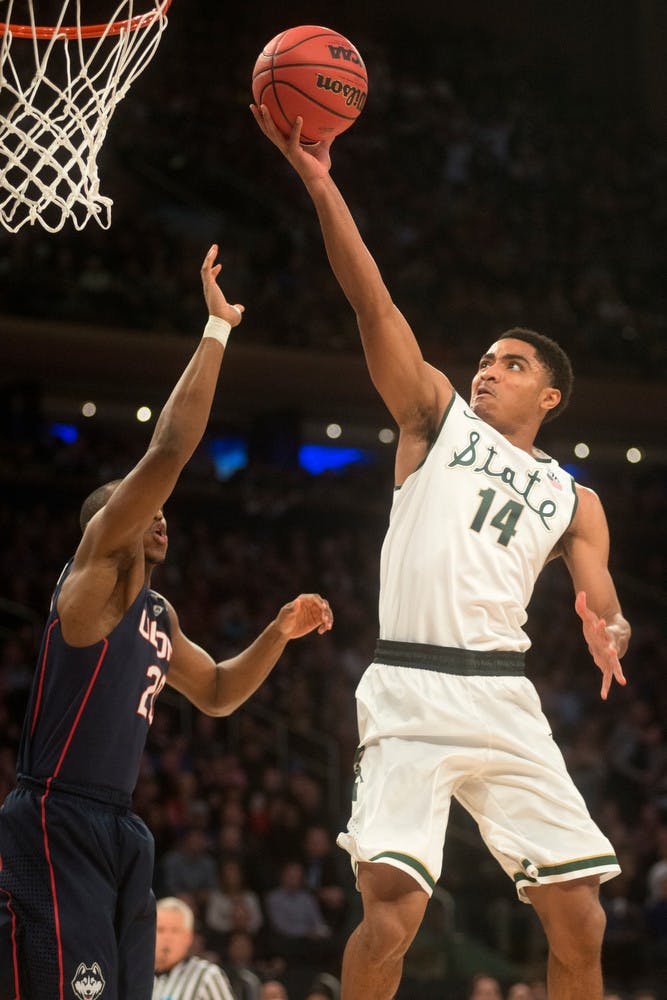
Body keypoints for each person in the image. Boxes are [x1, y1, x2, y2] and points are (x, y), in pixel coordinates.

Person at [251, 105, 631, 1000]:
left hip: (504, 694)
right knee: (390, 910)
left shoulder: (577, 499)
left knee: (580, 916)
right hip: (411, 687)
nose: (486, 369)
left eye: (508, 363)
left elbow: (597, 591)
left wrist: (606, 624)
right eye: (485, 359)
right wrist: (319, 180)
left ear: (550, 394)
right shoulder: (433, 418)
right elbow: (371, 301)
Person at [0, 245, 333, 1000]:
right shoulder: (88, 584)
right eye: (139, 505)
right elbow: (172, 447)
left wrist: (275, 634)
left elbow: (216, 692)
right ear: (105, 528)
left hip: (120, 826)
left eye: (161, 509)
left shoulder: (156, 613)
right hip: (56, 815)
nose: (160, 513)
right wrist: (215, 330)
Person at [153, 896, 234, 1000]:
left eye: (175, 931)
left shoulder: (207, 976)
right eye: (160, 930)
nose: (167, 938)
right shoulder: (138, 975)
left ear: (188, 938)